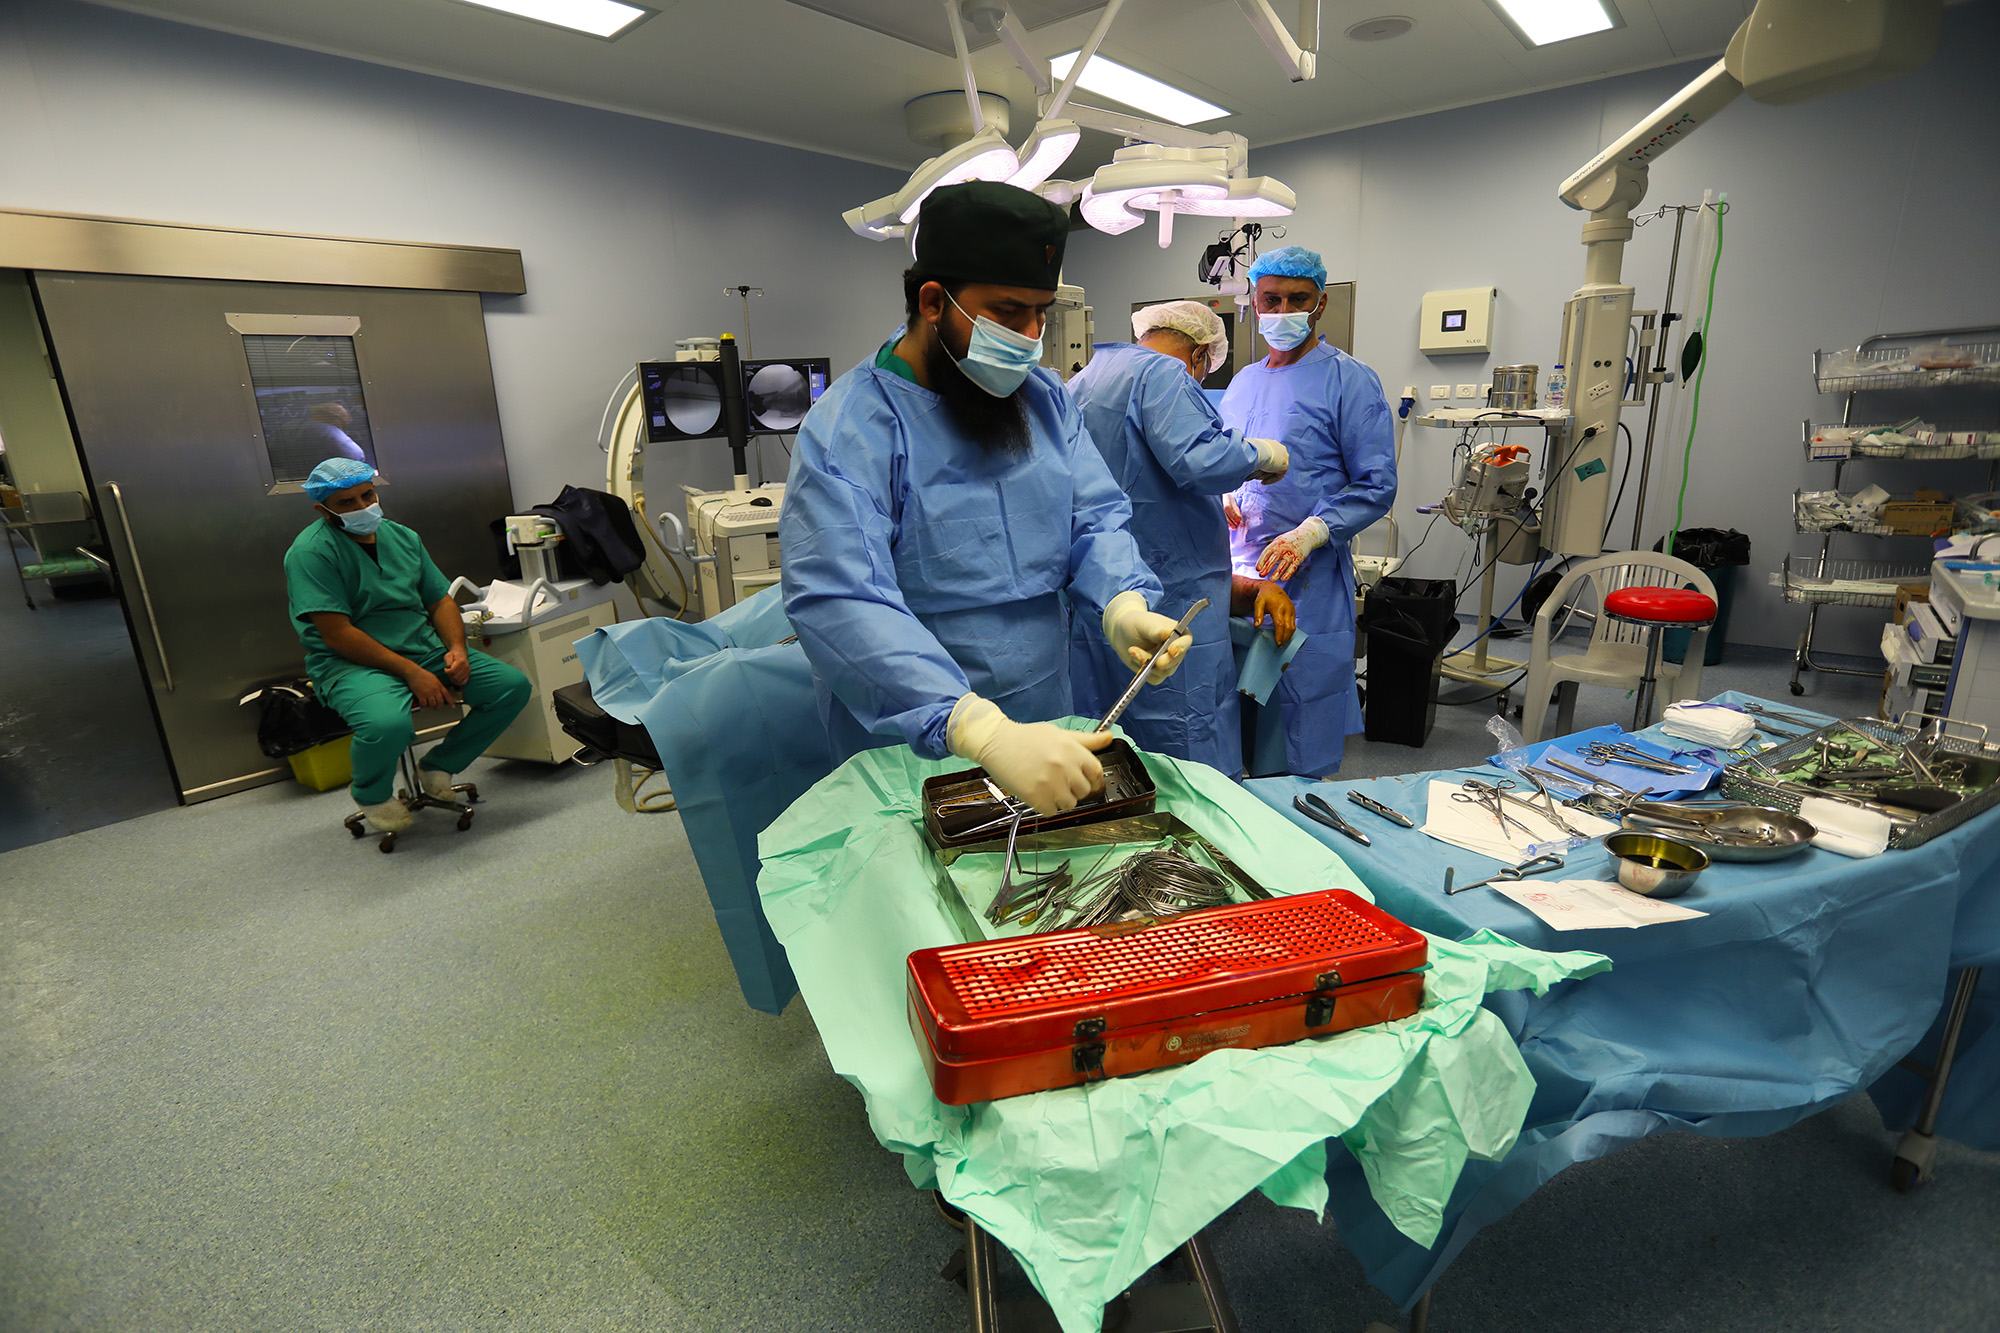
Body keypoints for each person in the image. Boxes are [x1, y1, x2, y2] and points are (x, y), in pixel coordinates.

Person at [780, 181, 1190, 815]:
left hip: (1042, 708)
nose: (1029, 336)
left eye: (1041, 312)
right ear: (934, 301)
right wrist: (979, 730)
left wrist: (1123, 605)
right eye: (1006, 312)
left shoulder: (1044, 401)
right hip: (909, 732)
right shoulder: (854, 427)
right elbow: (841, 597)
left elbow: (1096, 518)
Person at [1064, 301, 1289, 773]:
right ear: (1201, 353)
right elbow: (1199, 458)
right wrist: (1261, 455)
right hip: (1171, 589)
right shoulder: (1165, 374)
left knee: (1110, 727)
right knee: (1186, 729)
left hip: (1103, 592)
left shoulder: (1083, 380)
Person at [1220, 245, 1395, 776]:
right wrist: (1226, 493)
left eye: (1298, 299)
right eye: (1271, 300)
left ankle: (1302, 823)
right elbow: (1225, 452)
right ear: (1253, 301)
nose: (1283, 311)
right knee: (1238, 707)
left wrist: (1311, 533)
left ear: (1320, 304)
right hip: (1240, 572)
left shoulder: (1349, 379)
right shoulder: (1245, 381)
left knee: (1297, 714)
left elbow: (1377, 483)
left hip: (1308, 577)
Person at [285, 457, 531, 833]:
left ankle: (439, 765)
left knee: (510, 688)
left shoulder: (402, 536)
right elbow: (337, 633)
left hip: (422, 648)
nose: (363, 507)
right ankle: (371, 794)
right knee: (388, 725)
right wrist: (413, 674)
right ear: (323, 510)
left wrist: (457, 649)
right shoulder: (311, 553)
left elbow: (440, 600)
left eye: (367, 495)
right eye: (346, 502)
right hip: (351, 664)